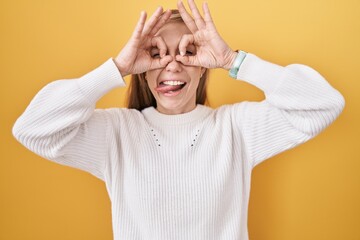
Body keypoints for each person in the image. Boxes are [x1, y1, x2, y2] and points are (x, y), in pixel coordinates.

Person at [12, 0, 345, 239]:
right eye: (156, 55)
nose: (171, 65)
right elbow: (33, 129)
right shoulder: (117, 134)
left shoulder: (236, 128)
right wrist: (116, 69)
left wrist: (233, 60)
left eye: (187, 53)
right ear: (142, 71)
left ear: (203, 67)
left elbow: (324, 104)